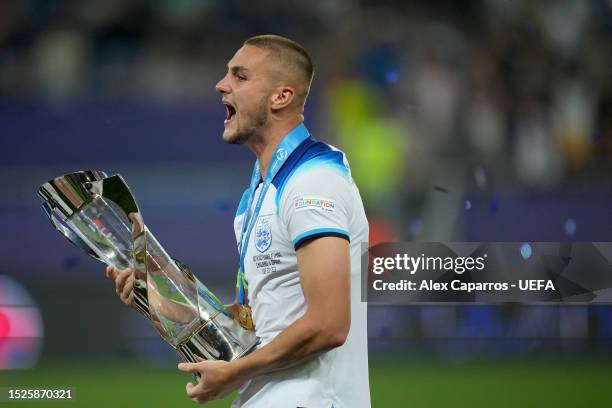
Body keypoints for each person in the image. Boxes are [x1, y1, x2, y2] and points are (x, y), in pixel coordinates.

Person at [106, 34, 371, 407]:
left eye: (240, 76)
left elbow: (329, 323)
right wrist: (157, 295)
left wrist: (236, 371)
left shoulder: (314, 180)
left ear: (281, 97)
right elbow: (252, 323)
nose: (221, 84)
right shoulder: (258, 195)